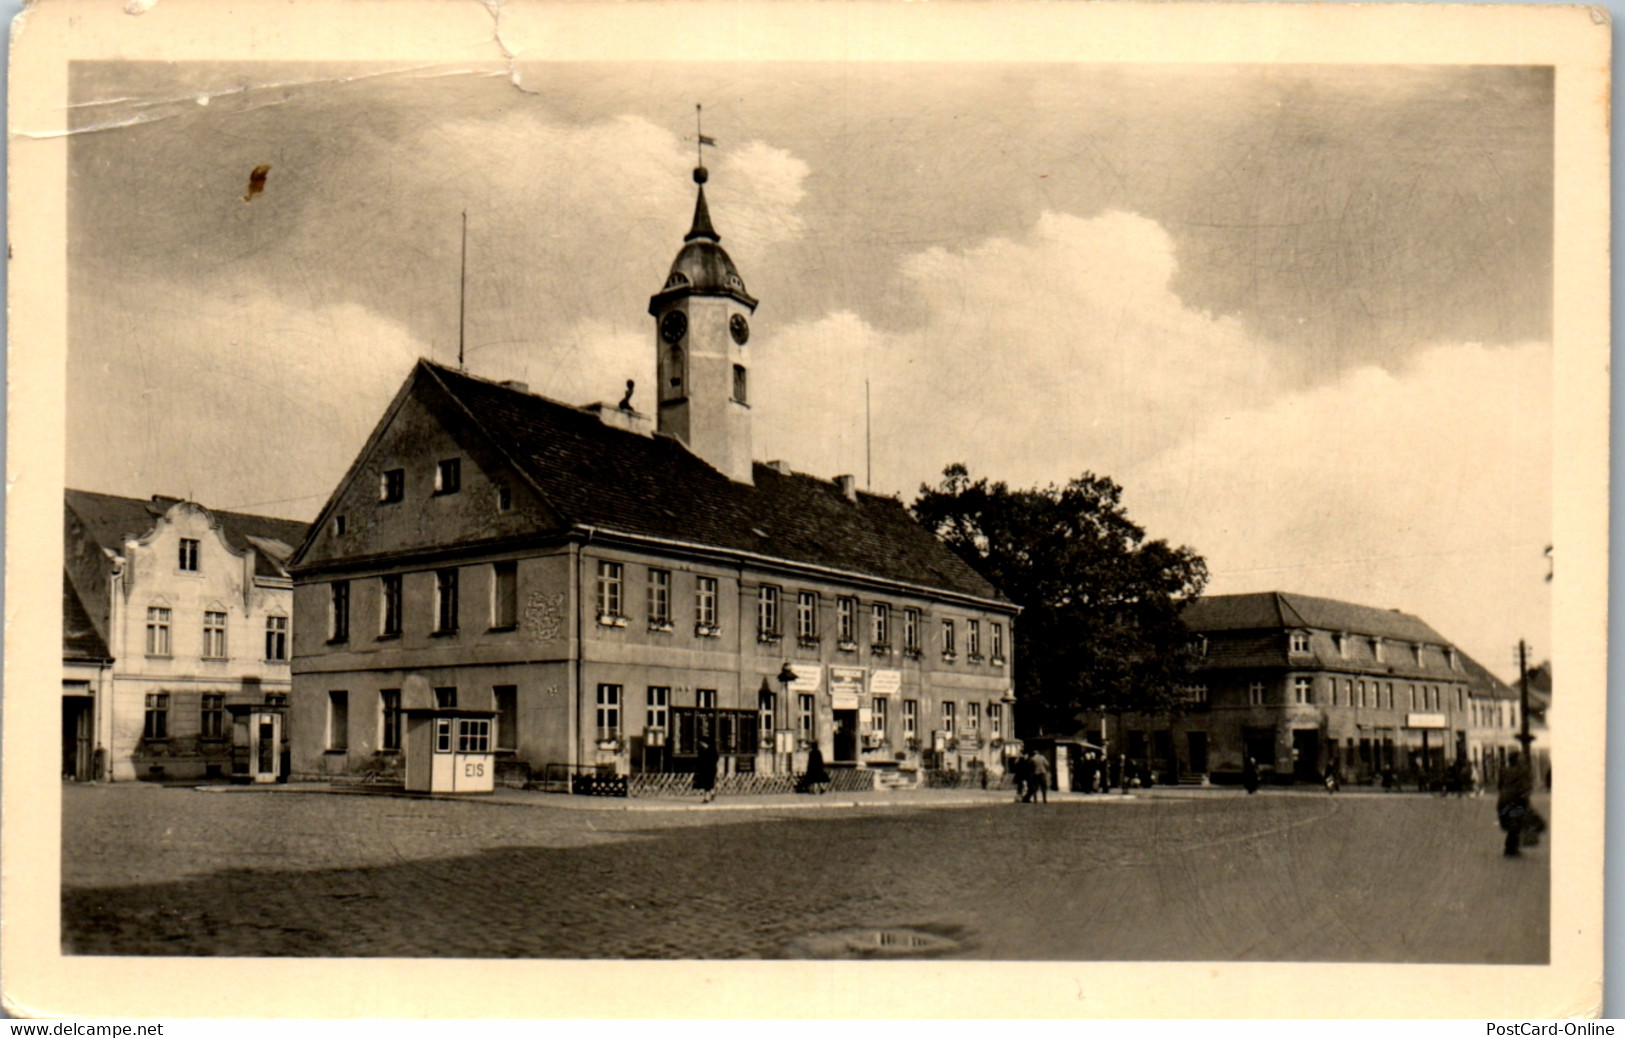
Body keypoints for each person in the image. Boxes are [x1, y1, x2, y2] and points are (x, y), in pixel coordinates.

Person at [1498, 752, 1534, 856]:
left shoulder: (1503, 770)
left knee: (1512, 823)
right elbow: (1526, 787)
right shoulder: (1522, 771)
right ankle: (1510, 848)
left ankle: (1511, 848)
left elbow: (1499, 785)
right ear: (1517, 761)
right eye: (1520, 758)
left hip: (1503, 799)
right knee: (1516, 823)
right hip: (1516, 799)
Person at [693, 738, 719, 804]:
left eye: (702, 743)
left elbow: (715, 759)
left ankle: (706, 798)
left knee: (708, 784)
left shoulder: (712, 750)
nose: (701, 744)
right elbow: (699, 759)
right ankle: (712, 793)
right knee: (707, 784)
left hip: (711, 769)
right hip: (704, 769)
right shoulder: (701, 750)